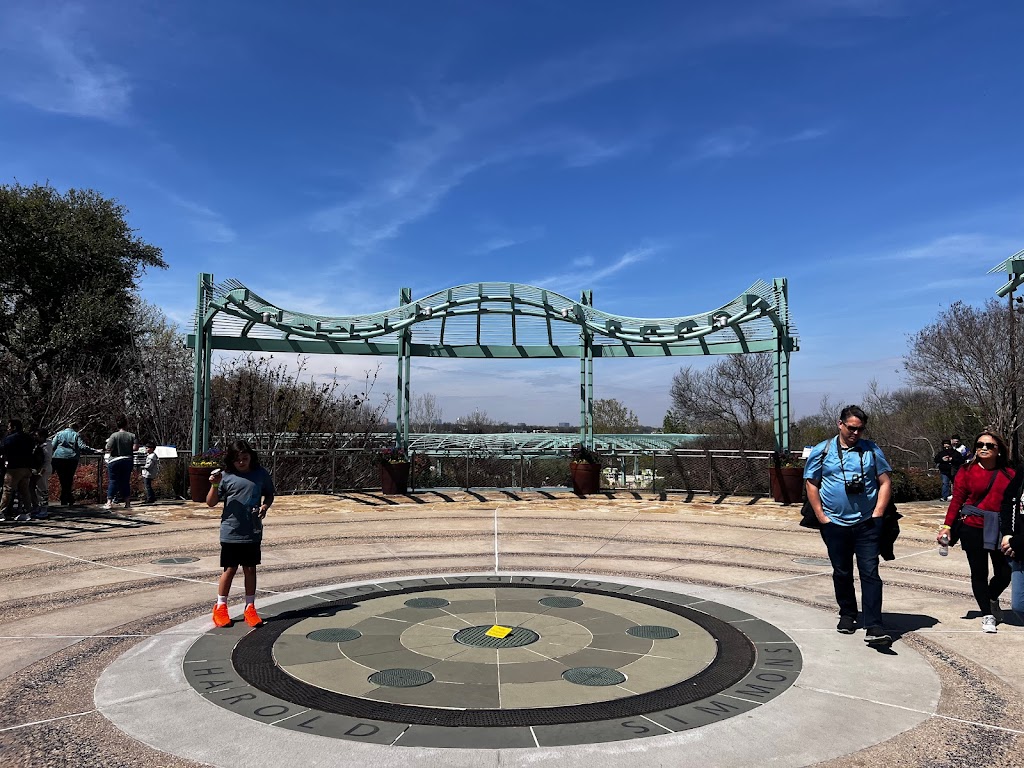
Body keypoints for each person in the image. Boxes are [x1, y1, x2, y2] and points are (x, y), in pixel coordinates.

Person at [804, 405, 894, 645]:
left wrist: (878, 513)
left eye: (860, 429)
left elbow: (885, 482)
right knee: (842, 571)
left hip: (867, 523)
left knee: (870, 572)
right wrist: (822, 516)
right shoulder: (823, 451)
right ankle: (848, 614)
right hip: (834, 523)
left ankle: (874, 624)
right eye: (852, 428)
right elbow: (811, 483)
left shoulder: (872, 450)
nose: (856, 433)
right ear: (840, 424)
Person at [938, 430, 1014, 634]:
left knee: (1005, 573)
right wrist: (947, 526)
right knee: (979, 573)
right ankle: (987, 614)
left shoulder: (1010, 473)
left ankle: (990, 598)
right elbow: (957, 500)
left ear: (999, 450)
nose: (984, 448)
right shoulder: (966, 470)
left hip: (1001, 528)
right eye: (980, 444)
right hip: (972, 526)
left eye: (989, 445)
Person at [206, 440, 275, 628]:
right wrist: (214, 486)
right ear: (232, 460)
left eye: (245, 458)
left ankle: (250, 607)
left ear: (251, 456)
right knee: (229, 569)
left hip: (252, 530)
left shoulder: (260, 474)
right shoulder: (226, 476)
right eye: (238, 460)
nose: (242, 462)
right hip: (231, 530)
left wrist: (265, 506)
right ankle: (220, 606)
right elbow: (210, 502)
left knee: (250, 569)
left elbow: (269, 494)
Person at [50, 422, 100, 506]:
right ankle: (67, 497)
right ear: (76, 428)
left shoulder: (59, 434)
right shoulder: (76, 435)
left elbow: (53, 445)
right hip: (71, 458)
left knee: (62, 478)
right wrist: (94, 450)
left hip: (58, 457)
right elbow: (82, 446)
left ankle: (65, 497)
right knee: (69, 478)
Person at [1, 420, 38, 521]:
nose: (8, 429)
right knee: (24, 491)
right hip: (27, 468)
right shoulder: (29, 438)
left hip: (14, 468)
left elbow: (3, 449)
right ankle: (27, 512)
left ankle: (1, 512)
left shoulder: (9, 439)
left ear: (14, 427)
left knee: (7, 490)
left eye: (9, 427)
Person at [999, 471, 1024, 613]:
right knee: (1019, 606)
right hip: (1019, 552)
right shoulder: (1021, 474)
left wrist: (1018, 541)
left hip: (1018, 544)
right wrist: (1007, 533)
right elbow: (1007, 502)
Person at [104, 415, 138, 510]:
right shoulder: (132, 435)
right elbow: (135, 448)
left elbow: (108, 447)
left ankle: (109, 502)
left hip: (115, 460)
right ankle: (127, 503)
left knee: (113, 481)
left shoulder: (114, 435)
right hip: (127, 460)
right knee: (125, 482)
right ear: (126, 424)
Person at [29, 428, 53, 519]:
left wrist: (41, 473)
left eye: (37, 435)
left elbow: (47, 461)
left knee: (42, 489)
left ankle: (44, 509)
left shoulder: (47, 446)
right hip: (36, 469)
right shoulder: (38, 445)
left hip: (43, 470)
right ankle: (36, 506)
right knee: (33, 488)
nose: (35, 437)